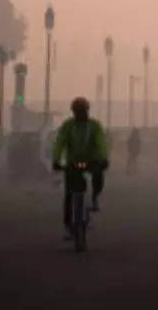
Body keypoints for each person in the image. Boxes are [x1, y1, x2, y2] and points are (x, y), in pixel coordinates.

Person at [51, 97, 109, 239]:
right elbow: (60, 142)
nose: (80, 113)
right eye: (77, 111)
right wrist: (56, 159)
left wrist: (102, 158)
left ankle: (94, 197)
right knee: (69, 194)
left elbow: (100, 143)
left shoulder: (94, 126)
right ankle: (68, 224)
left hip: (92, 161)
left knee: (98, 177)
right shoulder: (68, 126)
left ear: (87, 110)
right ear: (73, 112)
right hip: (73, 162)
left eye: (83, 111)